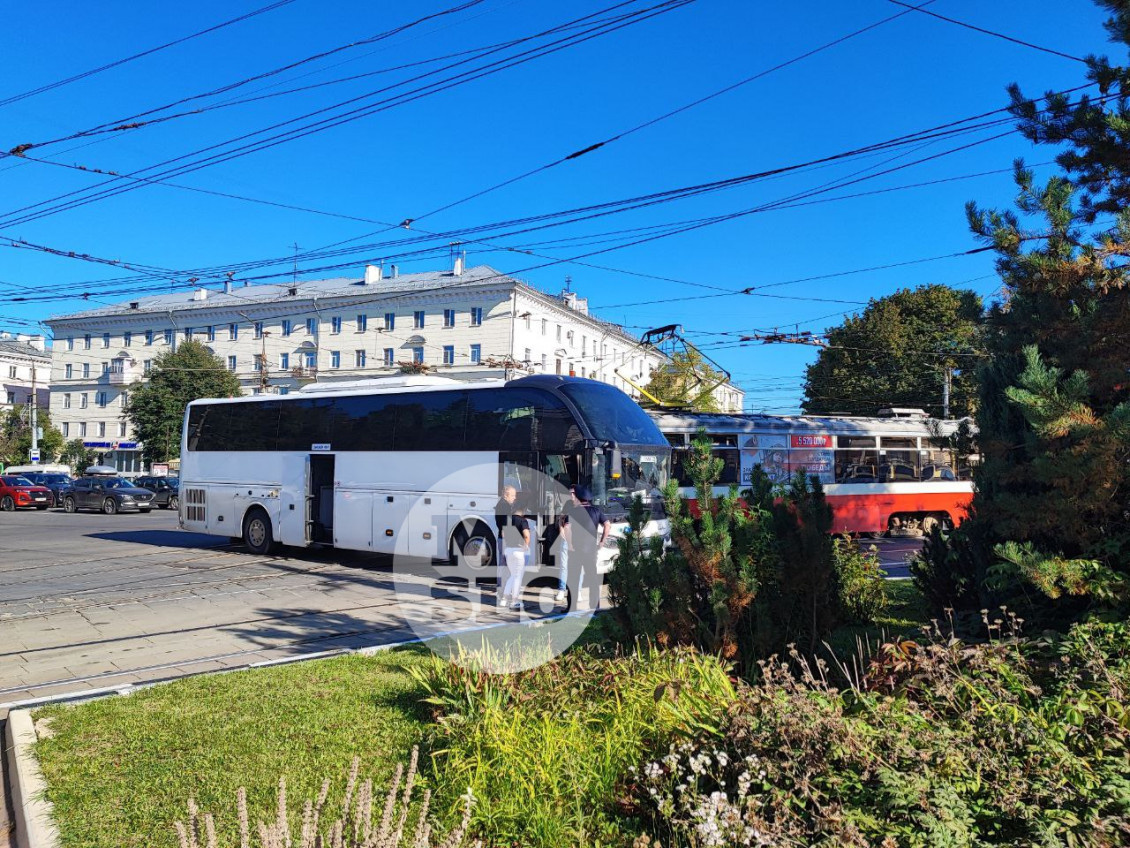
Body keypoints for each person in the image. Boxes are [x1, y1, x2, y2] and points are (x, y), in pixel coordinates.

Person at [564, 484, 610, 611]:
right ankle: (595, 607)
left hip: (575, 552)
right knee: (593, 579)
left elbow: (567, 528)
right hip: (591, 551)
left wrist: (570, 544)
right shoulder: (596, 511)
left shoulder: (572, 512)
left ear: (578, 497)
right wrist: (602, 542)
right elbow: (607, 524)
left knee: (573, 579)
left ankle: (571, 607)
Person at [494, 485, 530, 611]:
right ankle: (504, 594)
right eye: (513, 495)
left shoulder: (503, 505)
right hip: (506, 542)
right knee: (510, 571)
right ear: (506, 494)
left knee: (509, 571)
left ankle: (504, 595)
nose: (514, 498)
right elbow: (505, 526)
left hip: (505, 541)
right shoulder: (504, 506)